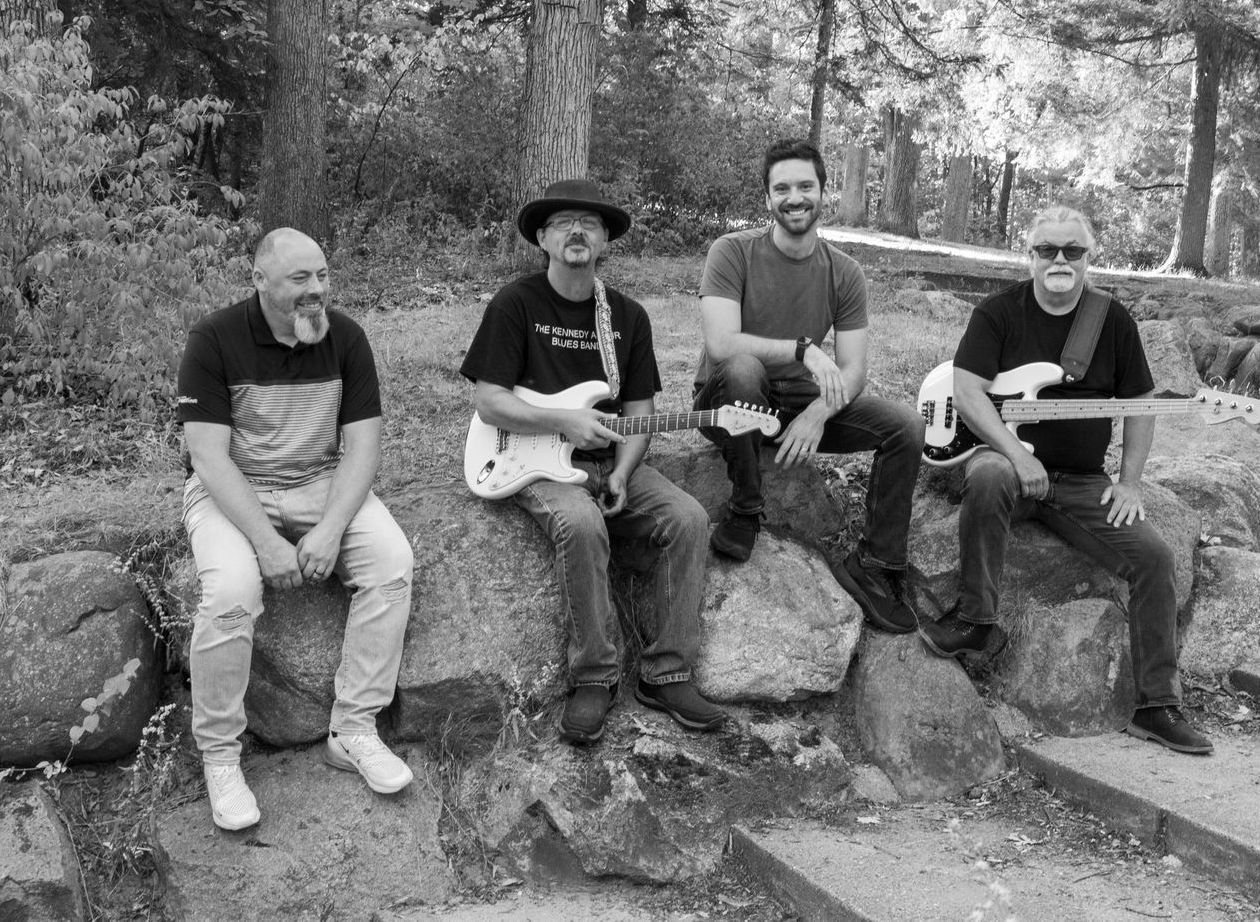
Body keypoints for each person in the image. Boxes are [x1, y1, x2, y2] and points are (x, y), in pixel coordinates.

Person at [921, 205, 1212, 755]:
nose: (1060, 260)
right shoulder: (998, 313)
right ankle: (975, 618)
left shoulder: (1112, 320)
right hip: (1006, 465)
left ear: (1089, 257)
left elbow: (1140, 403)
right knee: (988, 475)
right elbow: (967, 392)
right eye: (1047, 250)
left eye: (1073, 251)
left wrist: (1129, 482)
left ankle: (1156, 705)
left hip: (1082, 482)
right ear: (1029, 256)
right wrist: (1017, 456)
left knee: (1153, 557)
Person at [461, 179, 724, 745]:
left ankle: (667, 674)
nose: (576, 231)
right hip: (532, 457)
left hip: (608, 460)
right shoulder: (516, 304)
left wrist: (624, 472)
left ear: (605, 240)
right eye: (563, 223)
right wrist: (564, 421)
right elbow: (489, 401)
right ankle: (595, 677)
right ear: (543, 239)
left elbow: (640, 412)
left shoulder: (626, 316)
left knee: (690, 519)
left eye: (589, 223)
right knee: (580, 524)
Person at [177, 228, 416, 832]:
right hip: (234, 489)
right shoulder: (213, 339)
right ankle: (221, 757)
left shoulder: (347, 338)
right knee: (232, 592)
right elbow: (208, 458)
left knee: (391, 564)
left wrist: (331, 530)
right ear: (260, 281)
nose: (317, 290)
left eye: (323, 275)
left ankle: (354, 730)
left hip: (319, 482)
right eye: (300, 278)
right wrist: (265, 543)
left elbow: (363, 449)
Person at [694, 139, 925, 634]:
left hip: (797, 406)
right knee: (743, 369)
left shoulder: (845, 272)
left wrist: (819, 412)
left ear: (823, 193)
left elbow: (854, 370)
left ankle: (875, 564)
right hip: (727, 402)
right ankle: (745, 508)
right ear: (767, 198)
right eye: (782, 189)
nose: (794, 198)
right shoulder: (732, 252)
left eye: (805, 186)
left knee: (905, 425)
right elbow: (721, 344)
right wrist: (803, 350)